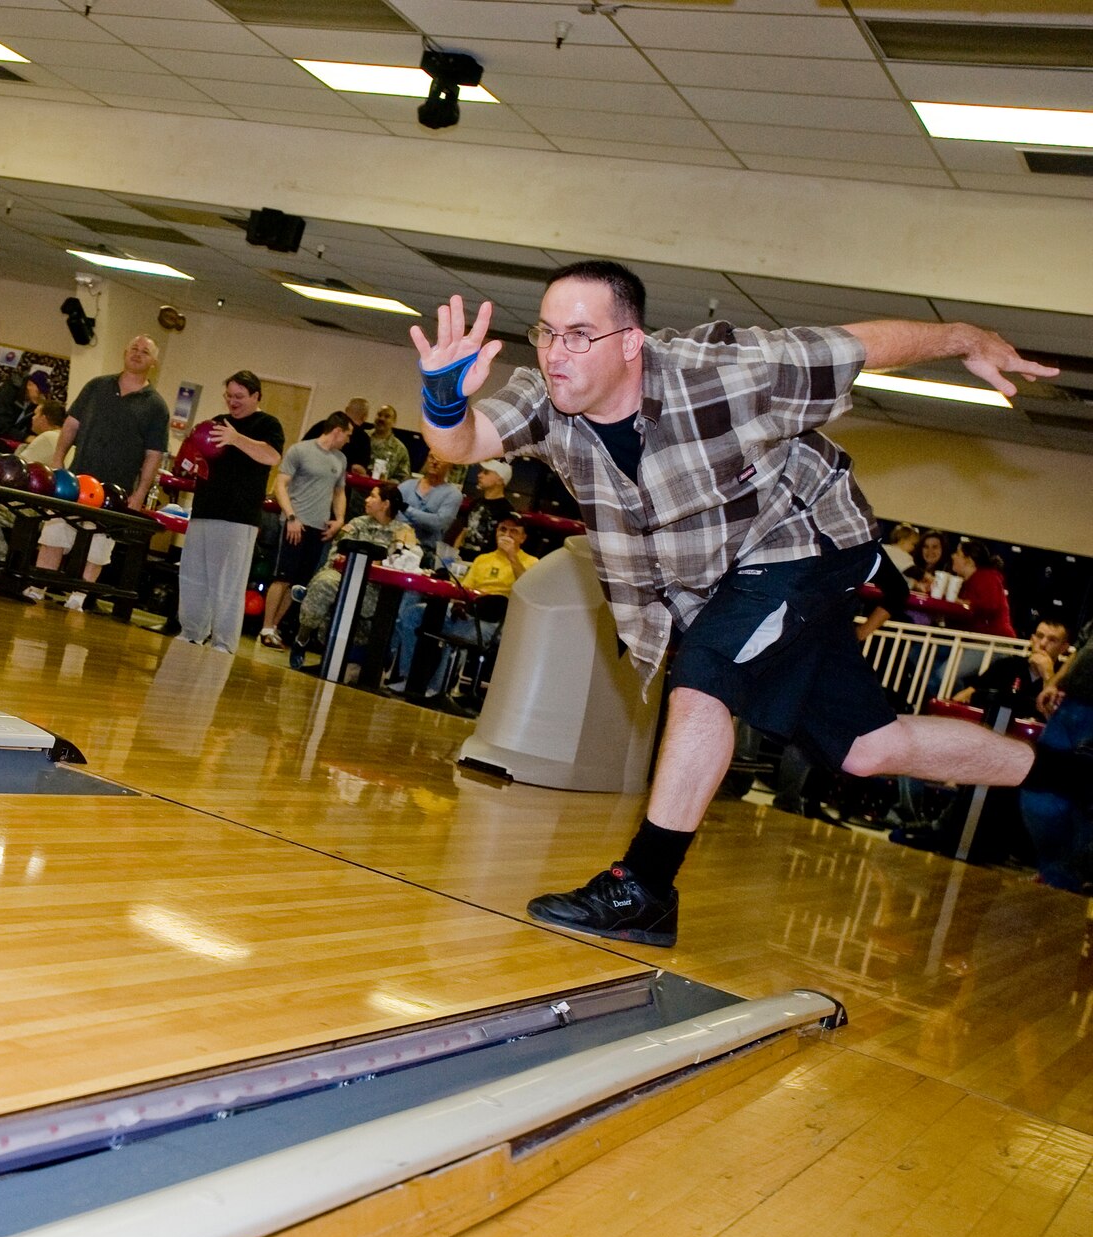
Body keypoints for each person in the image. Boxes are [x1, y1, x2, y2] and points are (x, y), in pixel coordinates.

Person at [412, 258, 1066, 948]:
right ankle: (1070, 776)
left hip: (807, 540)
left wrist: (964, 336)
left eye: (579, 334)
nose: (554, 353)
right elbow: (462, 442)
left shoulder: (723, 370)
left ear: (631, 341)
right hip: (725, 579)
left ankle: (646, 886)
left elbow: (857, 346)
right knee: (872, 749)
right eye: (547, 333)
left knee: (706, 672)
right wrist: (444, 399)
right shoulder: (547, 398)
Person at [31, 335, 169, 609]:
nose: (138, 354)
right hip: (76, 479)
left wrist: (139, 494)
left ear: (153, 362)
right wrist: (58, 460)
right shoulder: (97, 386)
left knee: (99, 547)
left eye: (145, 352)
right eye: (134, 349)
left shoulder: (156, 406)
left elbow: (154, 455)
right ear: (124, 352)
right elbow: (71, 425)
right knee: (55, 532)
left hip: (116, 490)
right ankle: (37, 586)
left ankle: (78, 598)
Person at [177, 372, 284, 653]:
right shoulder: (216, 422)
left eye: (239, 397)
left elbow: (272, 456)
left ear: (256, 396)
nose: (233, 402)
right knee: (193, 576)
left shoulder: (268, 424)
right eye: (229, 396)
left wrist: (236, 438)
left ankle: (223, 643)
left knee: (228, 583)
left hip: (238, 517)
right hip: (204, 509)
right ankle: (191, 632)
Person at [397, 513, 537, 707]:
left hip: (495, 619)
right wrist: (457, 604)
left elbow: (529, 591)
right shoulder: (482, 559)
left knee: (458, 633)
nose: (507, 534)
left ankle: (436, 689)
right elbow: (463, 588)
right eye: (503, 529)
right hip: (469, 609)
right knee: (414, 614)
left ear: (523, 538)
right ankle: (409, 678)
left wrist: (513, 557)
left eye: (514, 531)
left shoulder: (531, 563)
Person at [293, 481, 415, 666]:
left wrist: (379, 564)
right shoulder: (357, 524)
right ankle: (302, 638)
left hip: (376, 590)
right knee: (324, 583)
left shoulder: (404, 532)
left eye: (373, 496)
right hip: (345, 579)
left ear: (386, 503)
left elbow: (407, 561)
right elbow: (337, 554)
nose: (366, 500)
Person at [258, 412, 350, 649]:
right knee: (283, 577)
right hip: (295, 523)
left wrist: (339, 519)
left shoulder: (340, 459)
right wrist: (291, 517)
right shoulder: (300, 450)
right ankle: (266, 627)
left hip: (318, 528)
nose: (348, 440)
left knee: (299, 582)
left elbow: (339, 492)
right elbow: (280, 484)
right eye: (347, 435)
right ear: (337, 431)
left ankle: (274, 628)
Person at [0, 400, 67, 562]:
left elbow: (13, 469)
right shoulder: (64, 439)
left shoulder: (48, 437)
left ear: (45, 418)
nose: (32, 417)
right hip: (50, 511)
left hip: (34, 510)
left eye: (37, 413)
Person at [1028, 632, 1093, 893]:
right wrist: (1054, 683)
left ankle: (1069, 874)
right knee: (1043, 783)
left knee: (1084, 798)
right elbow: (1082, 649)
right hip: (1073, 705)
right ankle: (1057, 870)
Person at [953, 619, 1069, 716]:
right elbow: (962, 697)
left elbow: (1058, 719)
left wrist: (1048, 675)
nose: (1043, 644)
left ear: (1063, 648)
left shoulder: (1066, 678)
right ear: (1032, 640)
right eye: (1039, 636)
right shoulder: (1007, 665)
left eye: (1052, 640)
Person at [398, 456, 462, 556]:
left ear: (450, 464)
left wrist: (406, 509)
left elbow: (439, 523)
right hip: (397, 544)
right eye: (431, 457)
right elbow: (393, 514)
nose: (435, 462)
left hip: (426, 551)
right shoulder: (406, 486)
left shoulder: (453, 494)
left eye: (440, 459)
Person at [949, 540, 1013, 638]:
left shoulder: (987, 577)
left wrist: (962, 603)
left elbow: (990, 605)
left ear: (969, 561)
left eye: (958, 554)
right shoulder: (967, 583)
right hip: (977, 638)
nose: (953, 556)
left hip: (993, 641)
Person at [455, 459, 516, 560]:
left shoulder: (506, 510)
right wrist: (454, 554)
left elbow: (504, 543)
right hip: (462, 558)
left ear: (500, 480)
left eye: (486, 472)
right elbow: (464, 531)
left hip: (485, 563)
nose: (479, 475)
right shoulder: (475, 503)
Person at [367, 403, 411, 482]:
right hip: (356, 491)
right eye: (379, 415)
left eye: (387, 416)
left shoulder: (400, 449)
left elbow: (403, 478)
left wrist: (388, 482)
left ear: (394, 422)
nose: (381, 419)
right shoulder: (361, 438)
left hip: (382, 492)